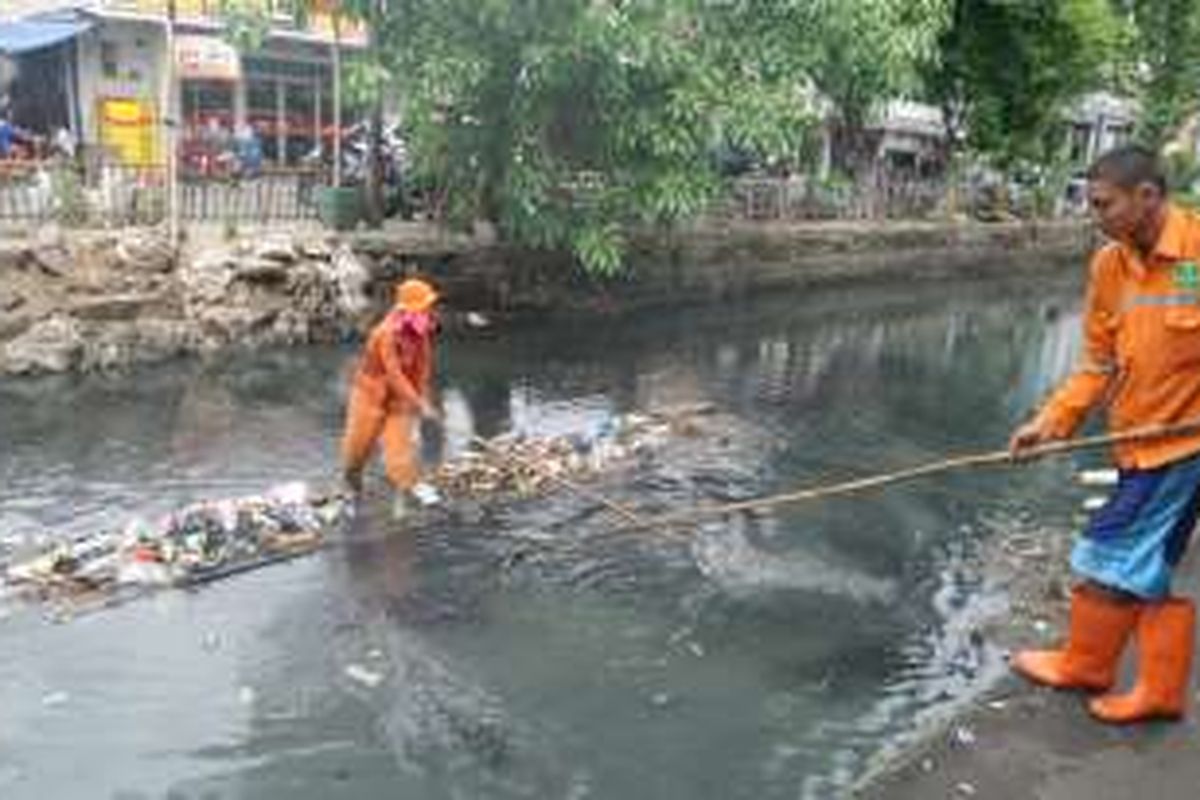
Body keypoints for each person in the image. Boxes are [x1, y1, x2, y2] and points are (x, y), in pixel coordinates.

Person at [1009, 144, 1200, 724]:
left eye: (1104, 204)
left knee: (1114, 549)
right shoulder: (1109, 266)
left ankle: (1111, 674)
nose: (1096, 216)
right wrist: (1051, 421)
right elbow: (1096, 364)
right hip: (1134, 444)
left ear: (1148, 196)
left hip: (1185, 446)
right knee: (1139, 558)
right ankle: (1109, 672)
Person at [342, 278, 441, 519]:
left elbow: (423, 367)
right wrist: (421, 404)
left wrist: (422, 397)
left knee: (399, 452)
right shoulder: (384, 333)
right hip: (369, 395)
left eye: (429, 306)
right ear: (406, 309)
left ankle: (405, 495)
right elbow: (394, 373)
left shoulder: (422, 331)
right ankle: (351, 486)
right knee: (357, 450)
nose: (428, 311)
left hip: (401, 400)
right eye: (424, 307)